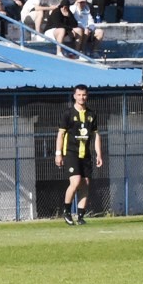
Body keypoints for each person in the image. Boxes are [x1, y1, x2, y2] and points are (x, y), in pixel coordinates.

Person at [54, 84, 102, 226]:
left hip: (85, 154)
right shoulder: (68, 113)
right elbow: (61, 134)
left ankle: (80, 216)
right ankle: (67, 212)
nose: (82, 97)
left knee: (85, 184)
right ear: (74, 96)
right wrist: (58, 154)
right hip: (71, 153)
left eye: (84, 95)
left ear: (87, 96)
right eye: (79, 95)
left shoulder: (91, 114)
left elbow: (96, 135)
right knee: (75, 182)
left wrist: (99, 154)